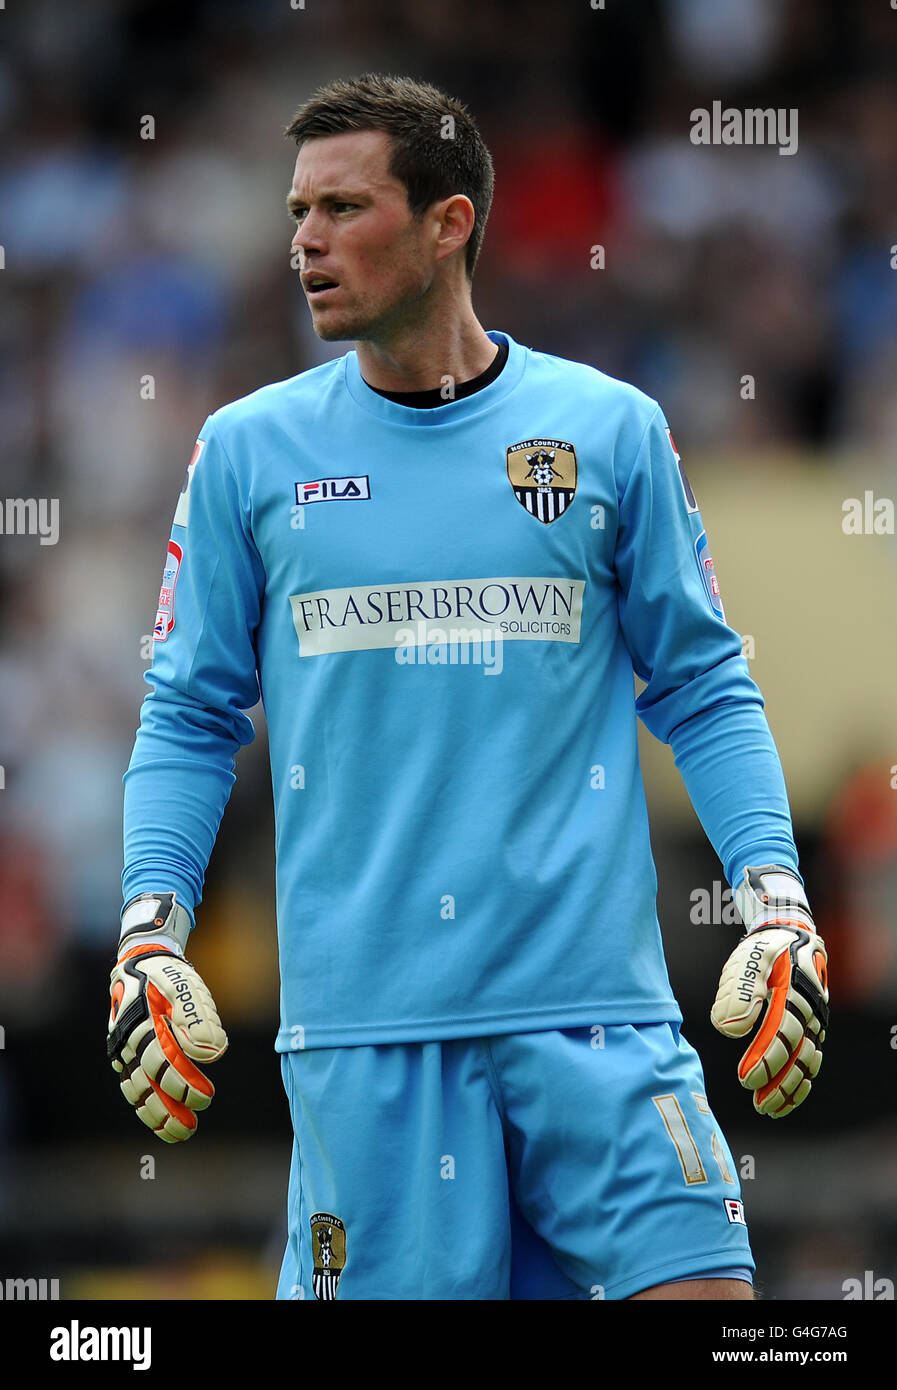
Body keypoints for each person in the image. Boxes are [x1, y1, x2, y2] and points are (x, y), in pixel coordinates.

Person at [107, 73, 829, 1301]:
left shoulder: (608, 431)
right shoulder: (246, 453)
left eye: (342, 208)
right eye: (297, 213)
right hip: (369, 1042)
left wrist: (778, 902)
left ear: (450, 224)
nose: (305, 243)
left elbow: (704, 685)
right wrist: (146, 929)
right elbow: (188, 712)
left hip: (599, 1022)